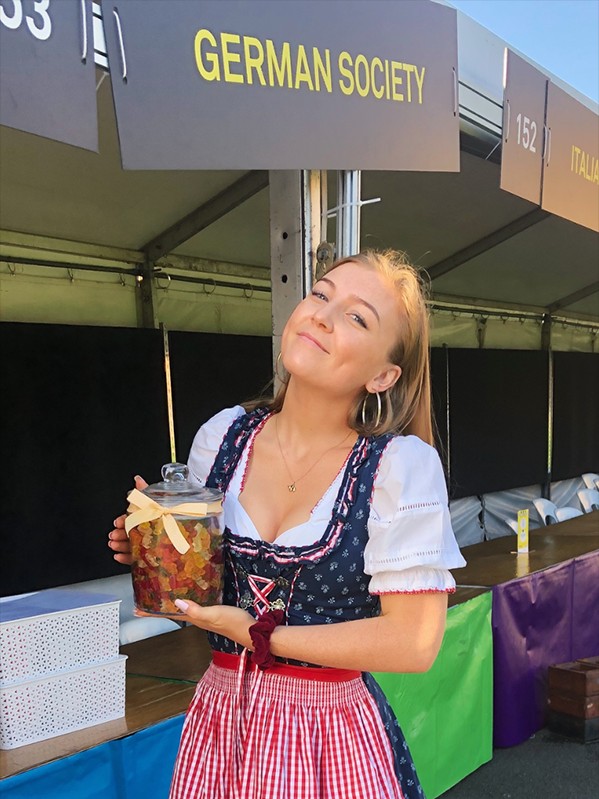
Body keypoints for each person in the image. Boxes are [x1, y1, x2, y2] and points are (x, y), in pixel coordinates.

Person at [109, 249, 466, 799]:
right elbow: (200, 600)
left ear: (383, 375)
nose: (323, 315)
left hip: (331, 737)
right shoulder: (222, 439)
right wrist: (163, 558)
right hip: (224, 725)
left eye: (357, 317)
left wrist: (259, 636)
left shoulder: (398, 469)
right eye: (321, 294)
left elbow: (412, 644)